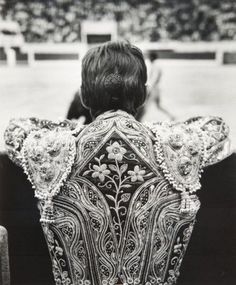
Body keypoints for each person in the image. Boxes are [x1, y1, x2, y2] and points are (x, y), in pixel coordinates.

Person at [3, 41, 230, 285]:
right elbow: (218, 129)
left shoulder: (54, 148)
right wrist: (154, 131)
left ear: (84, 95)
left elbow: (15, 131)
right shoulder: (175, 147)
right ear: (143, 95)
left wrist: (74, 130)